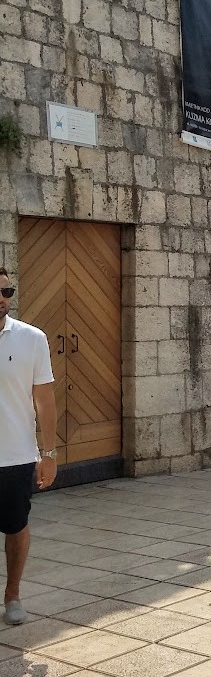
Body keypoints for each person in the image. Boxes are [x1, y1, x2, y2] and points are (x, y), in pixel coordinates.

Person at [0, 267, 57, 627]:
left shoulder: (32, 338)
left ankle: (13, 595)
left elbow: (45, 400)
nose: (2, 299)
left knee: (16, 525)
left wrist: (48, 454)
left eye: (7, 291)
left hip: (16, 456)